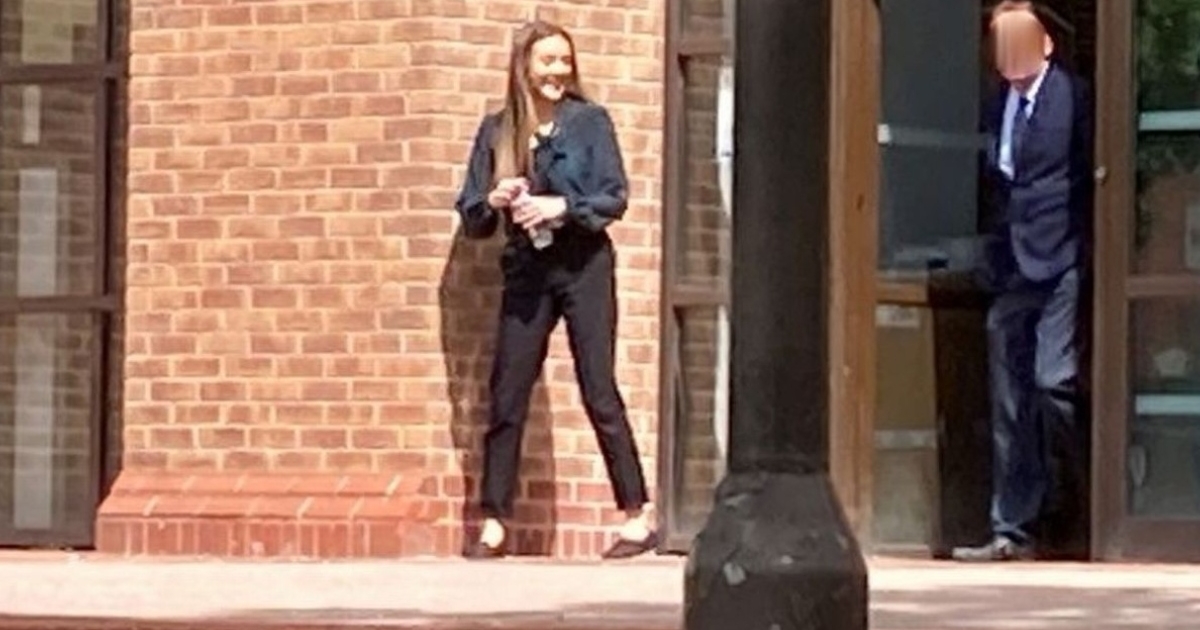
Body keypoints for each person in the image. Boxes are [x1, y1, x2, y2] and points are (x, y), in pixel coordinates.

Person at [453, 20, 656, 560]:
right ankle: (493, 523)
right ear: (523, 66)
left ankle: (638, 516)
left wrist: (560, 206)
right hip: (527, 269)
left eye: (565, 60)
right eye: (548, 61)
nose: (558, 71)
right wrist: (495, 199)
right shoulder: (497, 131)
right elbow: (472, 216)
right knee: (507, 392)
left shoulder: (589, 122)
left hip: (584, 264)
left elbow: (613, 196)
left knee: (599, 388)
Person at [953, 1, 1093, 562]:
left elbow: (1089, 176)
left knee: (1051, 382)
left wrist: (1084, 246)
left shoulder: (1073, 97)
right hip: (1011, 266)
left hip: (1060, 260)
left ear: (1046, 45)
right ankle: (1012, 528)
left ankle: (1077, 504)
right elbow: (997, 183)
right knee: (1009, 397)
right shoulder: (997, 103)